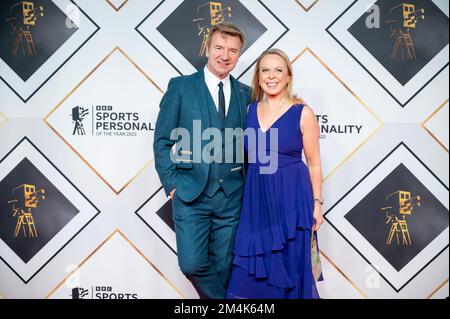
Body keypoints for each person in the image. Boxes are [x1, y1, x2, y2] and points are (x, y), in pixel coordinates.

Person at [153, 23, 252, 299]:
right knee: (192, 264)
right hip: (190, 194)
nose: (225, 55)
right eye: (219, 48)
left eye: (233, 51)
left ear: (238, 54)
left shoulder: (246, 93)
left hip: (232, 196)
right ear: (207, 48)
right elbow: (162, 141)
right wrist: (172, 185)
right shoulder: (181, 87)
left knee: (224, 268)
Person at [226, 49, 325, 299]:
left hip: (292, 203)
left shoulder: (303, 113)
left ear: (288, 76)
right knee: (247, 278)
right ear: (258, 78)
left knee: (291, 269)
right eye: (265, 70)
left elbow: (314, 163)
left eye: (278, 70)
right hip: (256, 204)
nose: (272, 76)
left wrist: (317, 204)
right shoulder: (248, 111)